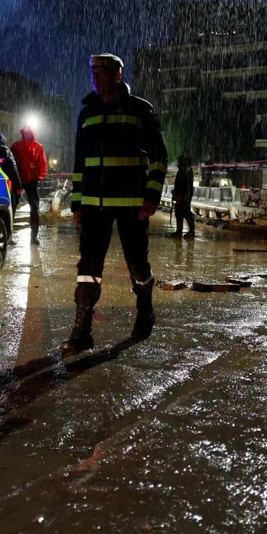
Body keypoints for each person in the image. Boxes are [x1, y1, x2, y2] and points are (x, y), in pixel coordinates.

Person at [64, 53, 168, 350]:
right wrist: (76, 204)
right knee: (88, 267)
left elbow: (160, 157)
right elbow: (80, 162)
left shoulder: (139, 111)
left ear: (117, 76)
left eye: (101, 72)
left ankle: (145, 309)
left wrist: (151, 196)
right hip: (94, 205)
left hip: (131, 205)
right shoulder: (87, 113)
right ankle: (81, 332)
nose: (94, 77)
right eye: (92, 71)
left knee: (137, 264)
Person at [11, 124, 48, 244]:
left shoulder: (38, 147)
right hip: (18, 180)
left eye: (28, 133)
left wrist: (39, 177)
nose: (26, 135)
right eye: (24, 133)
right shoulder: (16, 146)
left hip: (32, 181)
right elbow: (12, 162)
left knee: (34, 208)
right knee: (12, 206)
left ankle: (33, 237)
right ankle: (9, 235)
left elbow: (42, 163)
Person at [0, 131, 23, 212]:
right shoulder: (5, 151)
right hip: (6, 183)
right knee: (9, 207)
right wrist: (19, 185)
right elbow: (13, 169)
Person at [171, 155, 195, 238]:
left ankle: (187, 231)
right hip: (184, 196)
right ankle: (182, 231)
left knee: (184, 213)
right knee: (181, 213)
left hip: (183, 196)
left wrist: (179, 195)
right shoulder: (186, 170)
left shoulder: (184, 171)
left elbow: (184, 185)